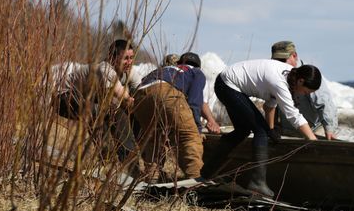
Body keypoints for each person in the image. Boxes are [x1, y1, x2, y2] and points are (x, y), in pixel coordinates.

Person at [206, 60, 323, 197]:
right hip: (227, 85)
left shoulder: (291, 76)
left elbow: (269, 106)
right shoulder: (280, 82)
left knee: (242, 131)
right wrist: (313, 139)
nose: (305, 94)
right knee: (260, 131)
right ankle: (257, 183)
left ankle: (207, 172)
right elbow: (293, 115)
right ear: (301, 81)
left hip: (226, 83)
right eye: (306, 91)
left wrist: (271, 130)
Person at [55, 39, 136, 160]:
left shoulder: (128, 72)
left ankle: (129, 161)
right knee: (98, 112)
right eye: (125, 58)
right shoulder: (104, 69)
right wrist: (130, 99)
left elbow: (140, 85)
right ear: (111, 57)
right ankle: (106, 155)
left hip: (88, 99)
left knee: (119, 117)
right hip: (63, 98)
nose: (129, 62)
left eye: (131, 58)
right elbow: (120, 93)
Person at [132, 51, 206, 182]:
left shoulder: (164, 69)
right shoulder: (197, 72)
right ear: (198, 65)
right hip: (164, 91)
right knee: (190, 136)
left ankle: (152, 176)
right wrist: (198, 129)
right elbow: (195, 102)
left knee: (154, 138)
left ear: (178, 63)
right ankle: (195, 180)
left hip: (140, 95)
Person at [270, 41, 337, 140]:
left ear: (294, 56)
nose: (279, 63)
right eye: (276, 60)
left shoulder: (310, 74)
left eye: (283, 60)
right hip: (287, 130)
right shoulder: (275, 74)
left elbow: (324, 103)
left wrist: (329, 129)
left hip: (313, 129)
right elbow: (272, 103)